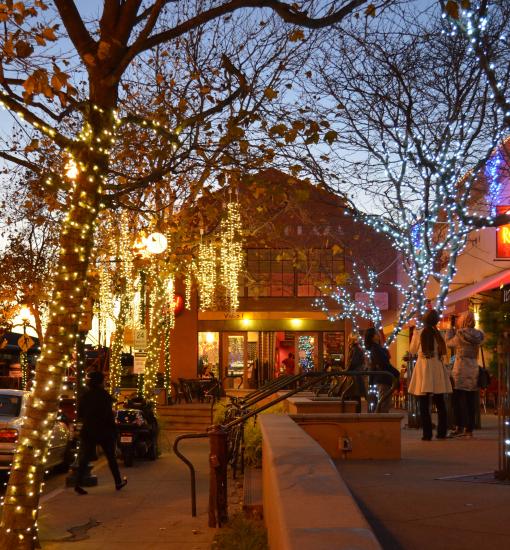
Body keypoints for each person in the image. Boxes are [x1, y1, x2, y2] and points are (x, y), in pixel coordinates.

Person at [75, 371, 127, 495]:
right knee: (111, 458)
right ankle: (118, 482)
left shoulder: (85, 396)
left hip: (89, 430)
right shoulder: (104, 396)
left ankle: (77, 483)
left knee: (85, 458)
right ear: (100, 382)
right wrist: (114, 429)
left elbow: (80, 413)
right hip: (104, 431)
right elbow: (108, 415)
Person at [408, 309, 452, 440]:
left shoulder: (419, 332)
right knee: (440, 402)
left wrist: (415, 334)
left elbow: (412, 350)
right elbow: (443, 351)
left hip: (423, 367)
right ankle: (442, 432)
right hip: (437, 367)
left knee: (423, 402)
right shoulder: (438, 334)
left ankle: (427, 434)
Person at [446, 311, 484, 439]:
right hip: (473, 368)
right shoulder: (478, 335)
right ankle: (469, 429)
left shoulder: (460, 334)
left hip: (461, 369)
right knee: (470, 400)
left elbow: (449, 343)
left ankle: (459, 427)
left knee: (457, 399)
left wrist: (450, 329)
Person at [364, 328, 398, 413]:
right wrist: (396, 372)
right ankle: (381, 424)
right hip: (382, 379)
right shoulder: (375, 348)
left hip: (380, 378)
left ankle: (379, 422)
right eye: (376, 333)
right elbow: (383, 364)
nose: (378, 335)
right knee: (384, 404)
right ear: (372, 337)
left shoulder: (376, 348)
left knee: (382, 403)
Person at [343, 332, 367, 413]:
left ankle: (355, 413)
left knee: (354, 395)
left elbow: (353, 362)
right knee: (355, 396)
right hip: (356, 375)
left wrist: (346, 371)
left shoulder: (355, 349)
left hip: (354, 376)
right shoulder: (357, 349)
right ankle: (356, 413)